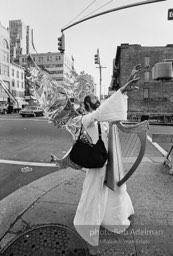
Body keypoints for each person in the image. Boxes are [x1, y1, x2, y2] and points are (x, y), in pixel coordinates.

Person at [73, 65, 141, 255]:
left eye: (97, 97)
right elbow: (102, 112)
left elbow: (112, 113)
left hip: (108, 162)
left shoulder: (102, 117)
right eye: (94, 98)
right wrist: (120, 92)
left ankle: (115, 219)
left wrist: (124, 91)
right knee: (94, 198)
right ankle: (89, 236)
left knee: (114, 190)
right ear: (87, 104)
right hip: (96, 166)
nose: (97, 99)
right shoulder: (86, 119)